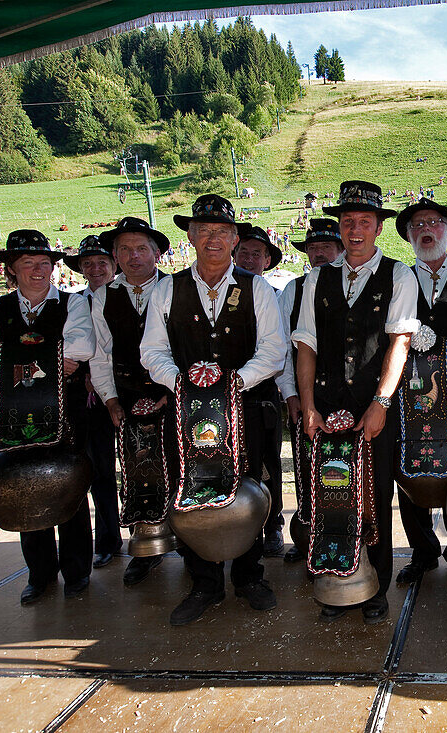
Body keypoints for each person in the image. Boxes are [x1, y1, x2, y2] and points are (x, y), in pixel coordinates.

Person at [141, 195, 285, 625]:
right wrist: (183, 382)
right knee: (192, 488)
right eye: (203, 231)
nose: (212, 239)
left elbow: (274, 351)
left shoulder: (256, 287)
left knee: (250, 485)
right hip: (186, 413)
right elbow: (152, 351)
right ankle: (203, 582)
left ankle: (249, 576)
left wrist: (233, 381)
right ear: (190, 237)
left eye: (221, 232)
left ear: (235, 238)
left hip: (245, 408)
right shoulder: (167, 288)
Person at [293, 181, 418, 624]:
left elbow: (398, 344)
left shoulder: (399, 275)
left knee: (376, 493)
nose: (356, 229)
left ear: (379, 228)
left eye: (365, 221)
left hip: (372, 403)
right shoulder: (317, 278)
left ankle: (375, 586)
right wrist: (308, 404)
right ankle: (333, 581)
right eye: (348, 221)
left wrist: (382, 402)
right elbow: (305, 344)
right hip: (325, 404)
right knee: (329, 492)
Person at [0, 230, 95, 605]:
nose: (39, 270)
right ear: (11, 269)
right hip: (11, 413)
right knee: (22, 486)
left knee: (69, 484)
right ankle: (39, 574)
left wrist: (9, 360)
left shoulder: (73, 304)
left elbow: (83, 347)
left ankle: (77, 572)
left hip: (65, 411)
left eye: (44, 263)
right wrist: (54, 358)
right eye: (29, 264)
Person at [89, 216, 173, 587]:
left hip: (173, 394)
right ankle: (146, 548)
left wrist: (173, 392)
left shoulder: (176, 289)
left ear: (156, 253)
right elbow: (100, 355)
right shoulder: (102, 295)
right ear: (115, 255)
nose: (134, 256)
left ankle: (189, 543)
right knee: (138, 472)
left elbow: (187, 349)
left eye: (141, 248)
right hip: (127, 397)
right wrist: (109, 400)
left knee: (183, 468)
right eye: (125, 249)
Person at [392, 197, 447, 585]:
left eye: (434, 222)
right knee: (408, 467)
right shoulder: (398, 280)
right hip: (409, 396)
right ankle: (422, 553)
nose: (426, 229)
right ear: (408, 235)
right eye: (417, 224)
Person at [277, 219, 345, 562]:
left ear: (340, 250)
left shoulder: (351, 284)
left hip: (346, 398)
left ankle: (343, 538)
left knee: (344, 470)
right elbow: (282, 349)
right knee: (306, 472)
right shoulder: (293, 289)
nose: (319, 254)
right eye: (313, 249)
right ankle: (307, 539)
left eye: (326, 248)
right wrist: (291, 395)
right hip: (306, 398)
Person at [65, 235, 121, 570]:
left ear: (114, 265)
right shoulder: (71, 303)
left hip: (122, 391)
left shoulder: (125, 297)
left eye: (102, 262)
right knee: (95, 469)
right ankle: (107, 541)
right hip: (84, 401)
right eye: (88, 263)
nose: (96, 268)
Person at [234, 224, 287, 557]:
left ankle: (273, 526)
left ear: (267, 259)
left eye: (258, 253)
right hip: (219, 399)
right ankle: (237, 529)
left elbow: (279, 352)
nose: (250, 258)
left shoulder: (274, 295)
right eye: (244, 252)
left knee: (268, 463)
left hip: (262, 396)